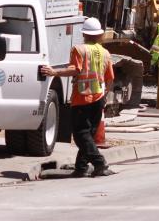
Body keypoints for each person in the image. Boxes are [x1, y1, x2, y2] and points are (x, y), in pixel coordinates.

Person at [41, 17, 115, 177]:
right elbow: (110, 79)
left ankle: (99, 163)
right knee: (88, 134)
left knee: (81, 134)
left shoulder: (79, 50)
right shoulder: (105, 53)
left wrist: (54, 72)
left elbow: (75, 69)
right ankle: (81, 167)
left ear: (84, 34)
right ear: (99, 35)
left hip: (82, 99)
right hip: (98, 99)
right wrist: (104, 97)